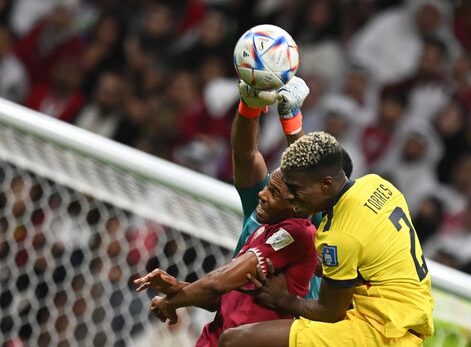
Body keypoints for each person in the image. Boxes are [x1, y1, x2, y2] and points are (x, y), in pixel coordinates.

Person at [134, 78, 351, 346]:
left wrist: (291, 117)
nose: (264, 194)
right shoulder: (263, 211)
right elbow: (245, 153)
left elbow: (312, 171)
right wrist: (249, 103)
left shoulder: (309, 231)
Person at [218, 131, 434, 347]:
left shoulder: (339, 237)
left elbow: (330, 312)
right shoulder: (377, 185)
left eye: (296, 189)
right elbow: (363, 260)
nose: (291, 197)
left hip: (379, 333)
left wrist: (283, 299)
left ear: (326, 185)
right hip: (406, 319)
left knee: (234, 340)